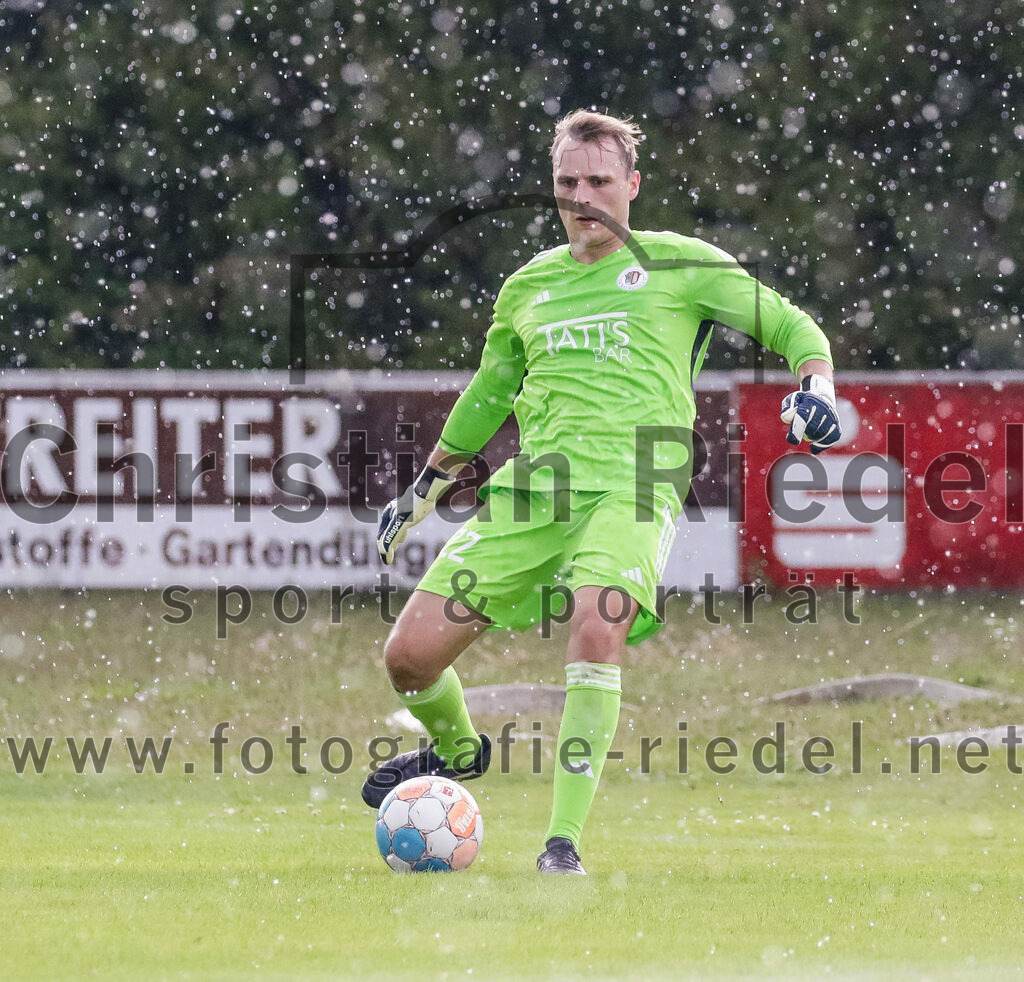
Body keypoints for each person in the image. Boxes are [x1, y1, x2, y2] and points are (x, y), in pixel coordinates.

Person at [362, 109, 841, 875]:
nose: (581, 196)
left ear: (632, 186)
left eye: (598, 180)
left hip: (634, 484)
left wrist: (817, 387)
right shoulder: (530, 286)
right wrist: (424, 488)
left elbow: (793, 328)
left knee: (596, 623)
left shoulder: (681, 265)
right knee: (409, 660)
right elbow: (491, 393)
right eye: (566, 182)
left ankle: (562, 844)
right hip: (534, 493)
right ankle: (457, 750)